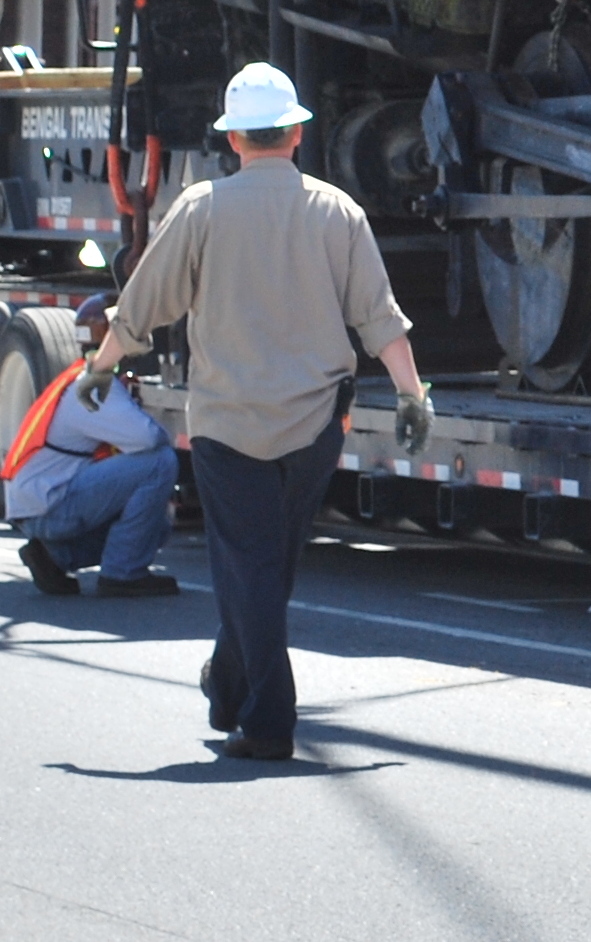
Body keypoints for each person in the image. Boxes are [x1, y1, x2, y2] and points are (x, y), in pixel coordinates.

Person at [87, 62, 432, 762]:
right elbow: (380, 318)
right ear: (297, 134)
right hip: (313, 427)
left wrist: (101, 367)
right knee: (268, 568)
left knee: (249, 568)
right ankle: (228, 686)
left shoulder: (202, 209)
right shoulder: (338, 212)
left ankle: (269, 722)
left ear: (234, 139)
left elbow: (143, 304)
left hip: (228, 425)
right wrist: (411, 394)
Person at [2, 291, 180, 599]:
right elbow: (148, 439)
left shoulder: (82, 376)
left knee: (157, 526)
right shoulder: (96, 387)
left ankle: (55, 556)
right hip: (50, 505)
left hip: (41, 499)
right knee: (160, 463)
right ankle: (123, 573)